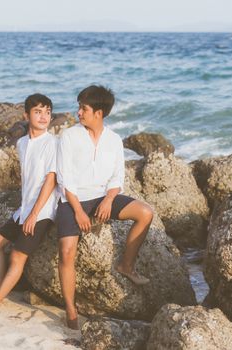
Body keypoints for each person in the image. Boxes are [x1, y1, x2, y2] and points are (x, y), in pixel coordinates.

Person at [56, 85, 153, 329]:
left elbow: (117, 178)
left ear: (99, 113)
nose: (79, 112)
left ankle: (126, 265)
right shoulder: (69, 136)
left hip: (102, 197)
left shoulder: (113, 140)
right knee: (67, 251)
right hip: (72, 199)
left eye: (83, 108)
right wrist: (78, 212)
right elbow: (65, 179)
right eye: (79, 107)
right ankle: (71, 309)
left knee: (145, 213)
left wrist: (109, 200)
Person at [0, 93, 58, 316]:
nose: (43, 116)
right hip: (25, 208)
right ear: (26, 115)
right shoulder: (22, 143)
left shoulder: (52, 143)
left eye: (47, 112)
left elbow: (51, 180)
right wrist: (25, 211)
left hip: (44, 210)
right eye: (38, 112)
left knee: (17, 256)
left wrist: (34, 214)